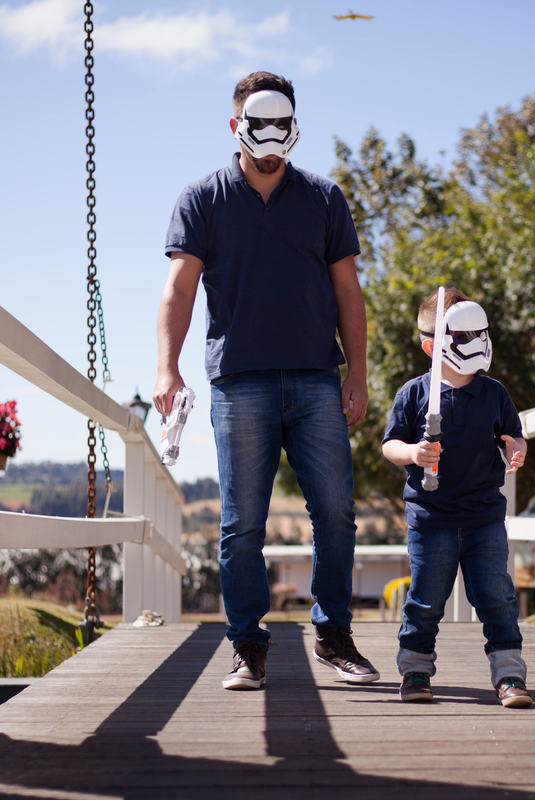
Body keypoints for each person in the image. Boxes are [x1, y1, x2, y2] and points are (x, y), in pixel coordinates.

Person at [155, 71, 378, 691]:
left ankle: (335, 638)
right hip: (239, 382)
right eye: (260, 125)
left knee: (335, 512)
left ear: (295, 126)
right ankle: (247, 648)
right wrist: (166, 367)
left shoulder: (324, 198)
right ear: (237, 127)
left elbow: (347, 292)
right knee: (241, 522)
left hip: (315, 379)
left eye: (282, 125)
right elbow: (179, 287)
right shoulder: (202, 198)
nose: (271, 136)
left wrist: (357, 372)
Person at [380, 287, 533, 708]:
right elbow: (389, 445)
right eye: (461, 337)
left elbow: (514, 435)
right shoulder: (414, 394)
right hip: (431, 520)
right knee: (426, 599)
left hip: (484, 518)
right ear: (433, 345)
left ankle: (509, 676)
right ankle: (415, 670)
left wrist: (516, 447)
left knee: (498, 598)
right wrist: (412, 452)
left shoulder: (493, 393)